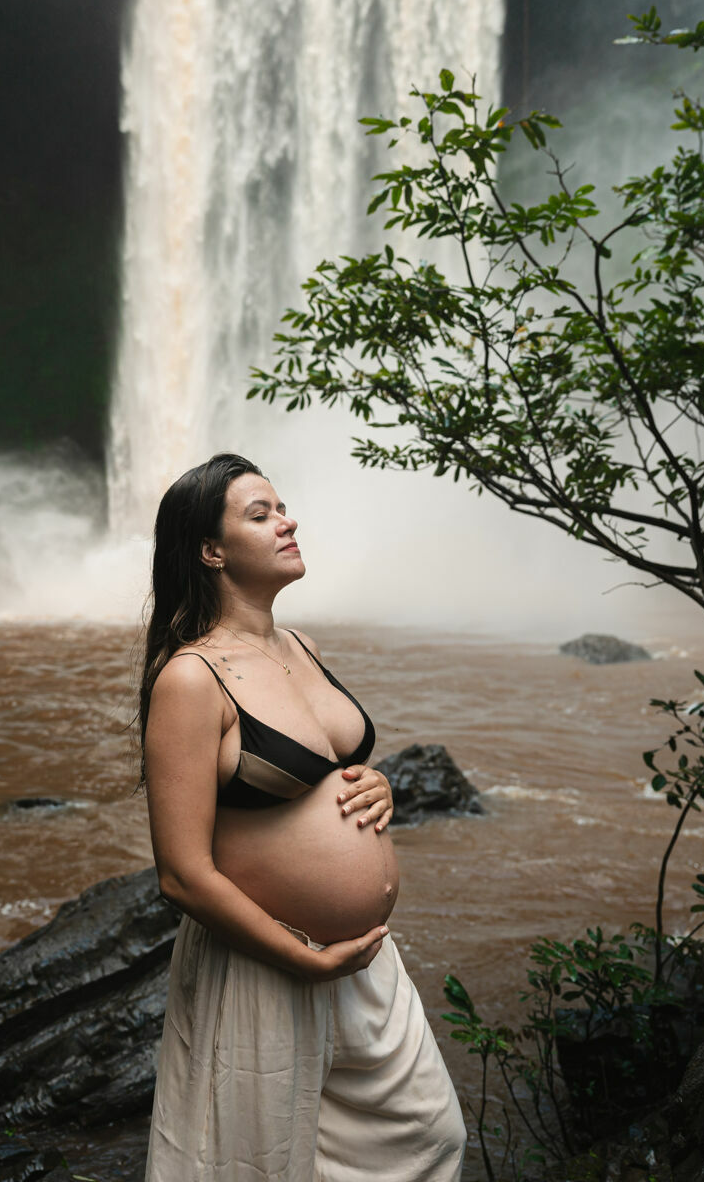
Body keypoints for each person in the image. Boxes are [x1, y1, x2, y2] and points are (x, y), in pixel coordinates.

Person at [140, 451, 467, 1181]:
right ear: (211, 550)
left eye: (283, 508)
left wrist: (377, 782)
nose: (288, 522)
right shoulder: (193, 679)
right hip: (269, 963)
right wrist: (300, 957)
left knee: (429, 1136)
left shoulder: (301, 647)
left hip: (365, 961)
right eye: (261, 515)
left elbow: (325, 767)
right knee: (261, 1166)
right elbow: (183, 875)